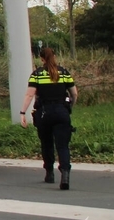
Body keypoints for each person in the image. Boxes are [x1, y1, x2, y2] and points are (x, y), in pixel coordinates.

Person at [20, 47, 78, 190]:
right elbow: (74, 94)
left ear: (41, 59)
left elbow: (29, 95)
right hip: (62, 112)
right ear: (55, 56)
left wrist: (22, 113)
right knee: (63, 146)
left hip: (44, 113)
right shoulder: (64, 73)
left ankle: (49, 173)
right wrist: (69, 107)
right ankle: (65, 175)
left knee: (46, 144)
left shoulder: (37, 74)